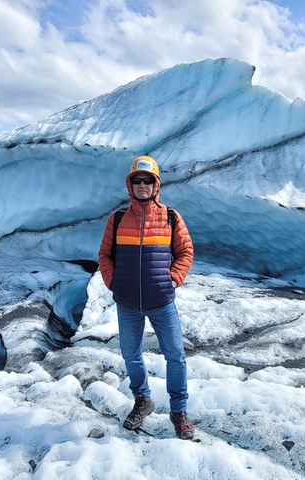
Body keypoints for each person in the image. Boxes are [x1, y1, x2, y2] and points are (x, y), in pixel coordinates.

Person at [98, 156, 195, 440]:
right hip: (127, 302)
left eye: (148, 180)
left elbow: (186, 252)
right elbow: (104, 254)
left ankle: (179, 412)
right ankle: (143, 400)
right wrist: (112, 280)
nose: (143, 185)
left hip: (162, 300)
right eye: (137, 180)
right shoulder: (117, 219)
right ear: (130, 184)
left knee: (175, 356)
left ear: (156, 184)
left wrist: (173, 278)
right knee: (131, 354)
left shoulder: (170, 217)